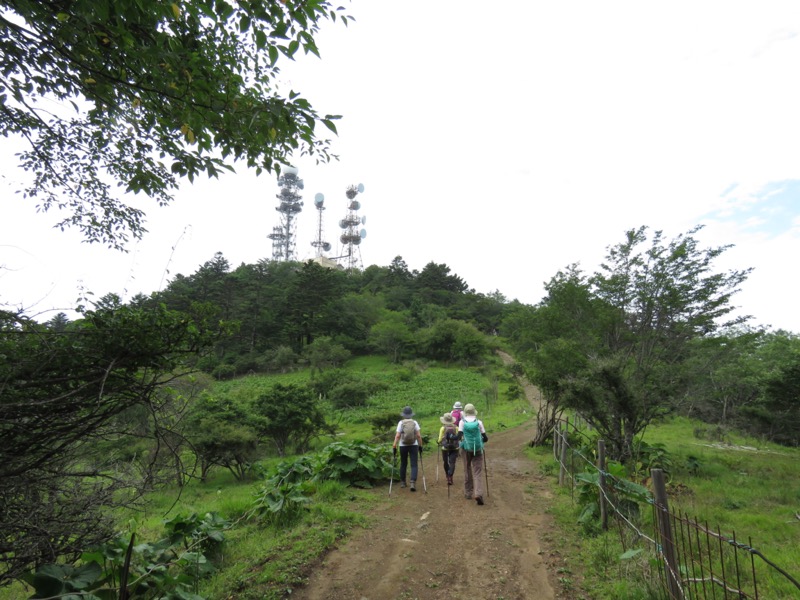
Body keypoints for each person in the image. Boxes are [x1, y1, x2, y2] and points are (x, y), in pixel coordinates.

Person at [458, 403, 488, 505]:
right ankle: (478, 493)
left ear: (465, 413)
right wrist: (479, 440)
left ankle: (468, 493)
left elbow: (459, 436)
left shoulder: (462, 422)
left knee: (467, 469)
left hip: (466, 449)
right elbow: (486, 438)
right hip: (478, 450)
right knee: (477, 471)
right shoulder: (479, 422)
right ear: (474, 412)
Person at [392, 406, 424, 491]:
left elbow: (398, 435)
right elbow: (418, 435)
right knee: (414, 464)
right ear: (411, 415)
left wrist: (394, 445)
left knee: (403, 463)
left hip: (403, 445)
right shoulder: (414, 422)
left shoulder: (401, 423)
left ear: (404, 415)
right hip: (414, 445)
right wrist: (420, 445)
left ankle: (403, 482)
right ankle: (412, 482)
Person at [437, 412, 460, 485]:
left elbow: (440, 439)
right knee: (452, 462)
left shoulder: (443, 428)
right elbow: (460, 437)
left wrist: (438, 442)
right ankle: (450, 476)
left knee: (445, 462)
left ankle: (447, 475)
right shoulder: (456, 427)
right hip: (455, 447)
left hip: (445, 448)